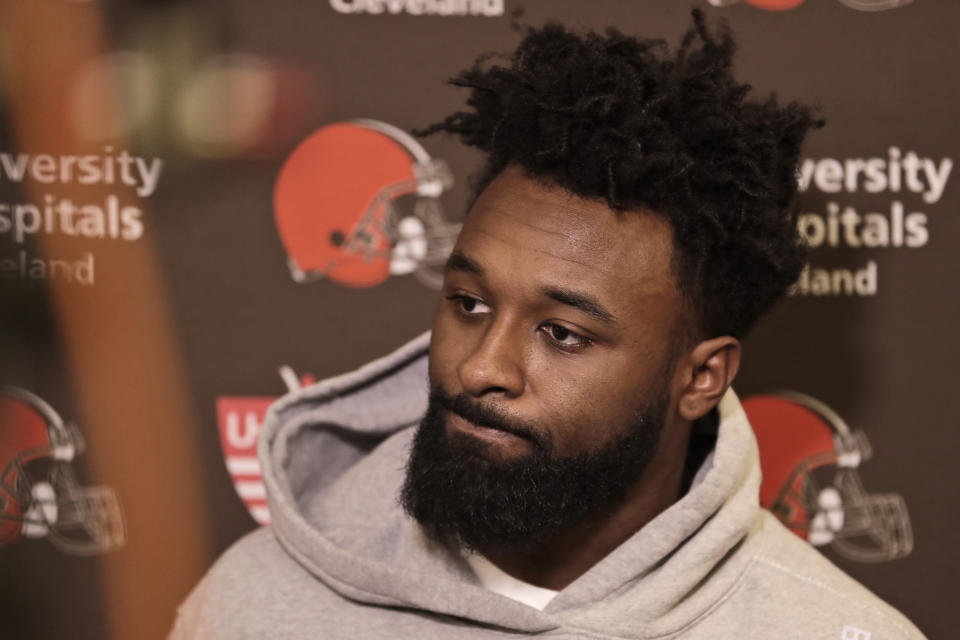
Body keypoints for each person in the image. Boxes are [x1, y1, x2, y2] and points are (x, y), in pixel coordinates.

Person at [171, 11, 925, 639]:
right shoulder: (249, 606)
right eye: (469, 303)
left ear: (700, 378)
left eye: (564, 333)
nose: (480, 368)